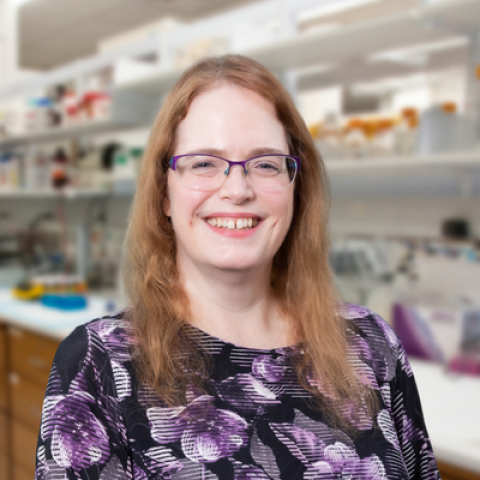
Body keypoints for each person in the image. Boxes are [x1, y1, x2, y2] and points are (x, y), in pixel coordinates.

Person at [35, 55, 440, 480]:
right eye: (204, 163)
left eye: (265, 164)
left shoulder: (372, 346)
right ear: (165, 194)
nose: (238, 189)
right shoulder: (98, 365)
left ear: (296, 188)